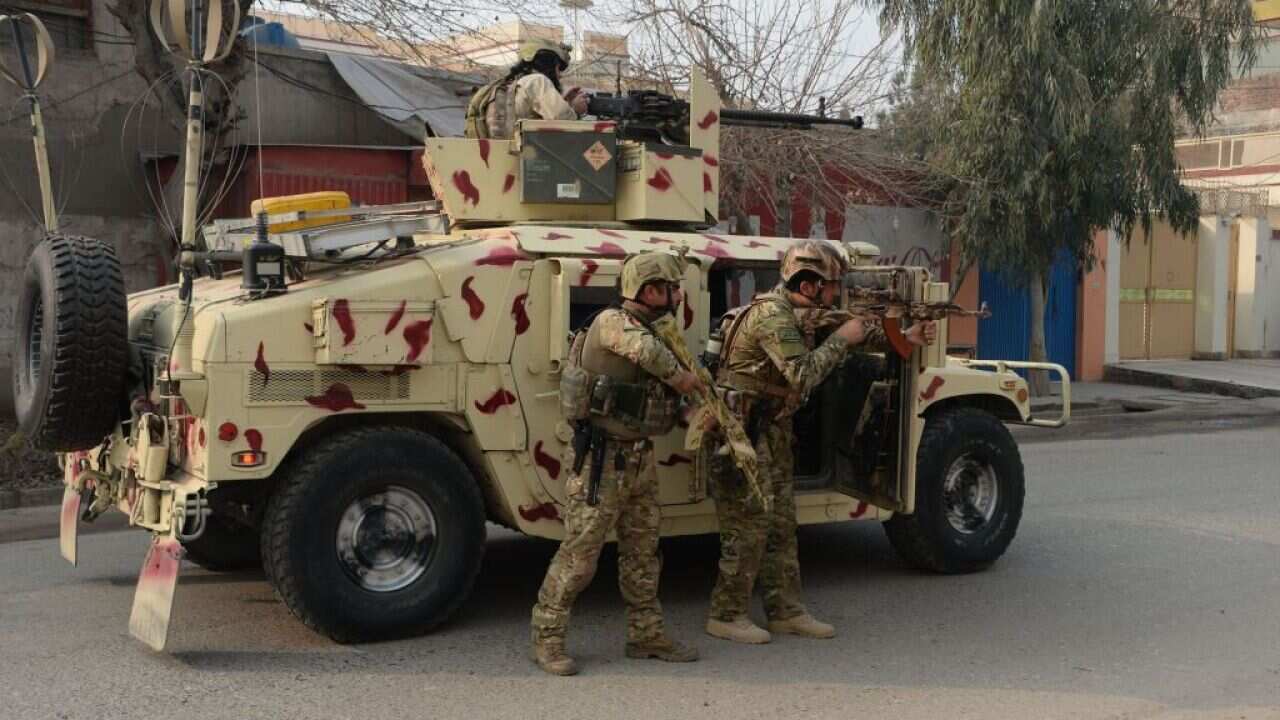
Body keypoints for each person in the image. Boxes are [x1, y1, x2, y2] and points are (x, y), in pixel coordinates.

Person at [703, 241, 937, 644]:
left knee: (781, 525)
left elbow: (852, 333)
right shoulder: (772, 317)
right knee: (748, 528)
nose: (836, 294)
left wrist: (908, 336)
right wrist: (842, 338)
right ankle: (726, 614)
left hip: (769, 431)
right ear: (808, 285)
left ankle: (786, 611)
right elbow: (803, 374)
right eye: (831, 286)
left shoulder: (797, 313)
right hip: (742, 436)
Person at [530, 252, 703, 676]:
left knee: (643, 552)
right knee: (579, 556)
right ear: (650, 291)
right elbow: (647, 354)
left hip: (638, 457)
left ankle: (646, 634)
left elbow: (654, 396)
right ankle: (548, 637)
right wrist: (685, 378)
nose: (678, 296)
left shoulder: (656, 329)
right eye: (672, 288)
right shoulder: (613, 322)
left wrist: (694, 413)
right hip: (601, 460)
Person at [465, 38, 591, 139]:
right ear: (546, 64)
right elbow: (564, 123)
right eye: (558, 68)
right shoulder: (537, 81)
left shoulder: (518, 84)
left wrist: (565, 103)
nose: (559, 75)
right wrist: (576, 109)